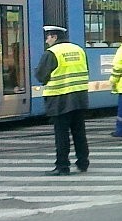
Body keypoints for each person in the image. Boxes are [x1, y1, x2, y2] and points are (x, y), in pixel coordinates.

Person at [36, 25, 90, 176]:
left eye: (48, 37)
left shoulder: (52, 53)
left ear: (54, 37)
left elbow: (41, 75)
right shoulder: (78, 50)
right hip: (79, 98)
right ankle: (83, 162)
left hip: (60, 99)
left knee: (61, 135)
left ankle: (62, 166)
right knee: (79, 132)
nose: (47, 41)